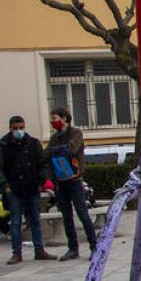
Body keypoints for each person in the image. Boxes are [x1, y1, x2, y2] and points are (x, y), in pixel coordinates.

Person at [0, 115, 55, 264]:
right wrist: (5, 186)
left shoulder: (33, 143)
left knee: (35, 219)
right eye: (15, 128)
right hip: (14, 189)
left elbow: (42, 164)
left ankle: (39, 250)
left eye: (21, 128)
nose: (19, 131)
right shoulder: (2, 144)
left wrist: (40, 182)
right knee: (15, 222)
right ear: (10, 128)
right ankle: (16, 252)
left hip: (32, 187)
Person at [46, 107, 97, 261]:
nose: (52, 121)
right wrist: (57, 151)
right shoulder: (54, 138)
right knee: (66, 216)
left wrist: (56, 151)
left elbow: (71, 149)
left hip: (74, 180)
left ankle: (94, 247)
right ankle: (72, 248)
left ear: (64, 118)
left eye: (54, 118)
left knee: (83, 214)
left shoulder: (76, 133)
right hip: (60, 182)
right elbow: (46, 154)